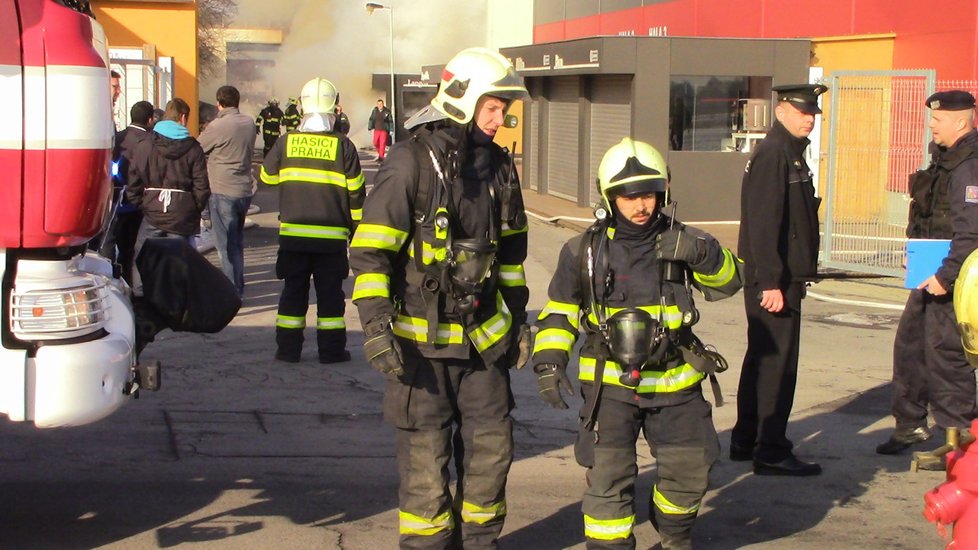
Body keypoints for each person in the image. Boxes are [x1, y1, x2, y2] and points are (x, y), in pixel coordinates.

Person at [349, 47, 531, 549]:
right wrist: (376, 327)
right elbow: (370, 254)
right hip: (420, 352)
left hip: (484, 348)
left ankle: (480, 542)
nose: (501, 120)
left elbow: (512, 258)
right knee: (426, 469)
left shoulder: (499, 169)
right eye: (491, 108)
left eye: (504, 109)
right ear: (461, 100)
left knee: (493, 453)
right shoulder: (410, 162)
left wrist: (518, 321)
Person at [532, 138, 742, 550]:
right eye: (628, 196)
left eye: (647, 194)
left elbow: (731, 283)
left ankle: (673, 530)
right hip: (610, 390)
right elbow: (559, 311)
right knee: (608, 480)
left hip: (675, 384)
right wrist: (549, 362)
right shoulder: (583, 251)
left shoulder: (684, 244)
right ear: (609, 197)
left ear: (662, 193)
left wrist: (704, 255)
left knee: (691, 471)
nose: (640, 205)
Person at [876, 90, 978, 468]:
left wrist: (945, 276)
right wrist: (918, 260)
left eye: (938, 120)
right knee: (911, 346)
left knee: (946, 355)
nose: (931, 125)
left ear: (961, 121)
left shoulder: (970, 165)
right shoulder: (947, 161)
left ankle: (960, 442)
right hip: (931, 271)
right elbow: (932, 218)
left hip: (955, 278)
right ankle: (911, 425)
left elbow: (971, 232)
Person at [730, 83, 827, 477]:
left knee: (762, 359)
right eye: (802, 112)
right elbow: (765, 223)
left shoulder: (786, 153)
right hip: (774, 281)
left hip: (778, 277)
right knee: (777, 367)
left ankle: (745, 438)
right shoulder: (776, 154)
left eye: (814, 114)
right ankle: (770, 448)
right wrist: (771, 281)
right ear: (781, 110)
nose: (809, 119)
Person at [260, 78, 364, 364]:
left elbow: (267, 178)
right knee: (330, 297)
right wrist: (357, 231)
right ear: (334, 109)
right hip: (331, 241)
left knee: (292, 293)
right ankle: (331, 352)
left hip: (293, 237)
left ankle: (288, 350)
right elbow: (356, 195)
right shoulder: (344, 146)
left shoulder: (286, 142)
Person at [126, 98, 210, 295]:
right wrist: (191, 207)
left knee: (143, 255)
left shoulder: (145, 144)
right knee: (179, 261)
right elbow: (202, 186)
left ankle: (141, 296)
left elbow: (134, 179)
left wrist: (143, 204)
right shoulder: (193, 148)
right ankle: (176, 302)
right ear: (182, 118)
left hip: (152, 211)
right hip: (181, 214)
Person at [198, 85, 257, 297]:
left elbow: (197, 148)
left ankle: (232, 291)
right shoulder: (248, 123)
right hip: (243, 190)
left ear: (219, 103)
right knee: (236, 242)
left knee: (224, 245)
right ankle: (238, 285)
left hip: (222, 190)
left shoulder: (218, 126)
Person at [101, 100, 154, 284]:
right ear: (150, 119)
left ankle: (108, 279)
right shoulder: (149, 141)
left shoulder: (118, 137)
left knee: (109, 241)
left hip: (114, 197)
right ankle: (128, 283)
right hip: (136, 201)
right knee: (130, 247)